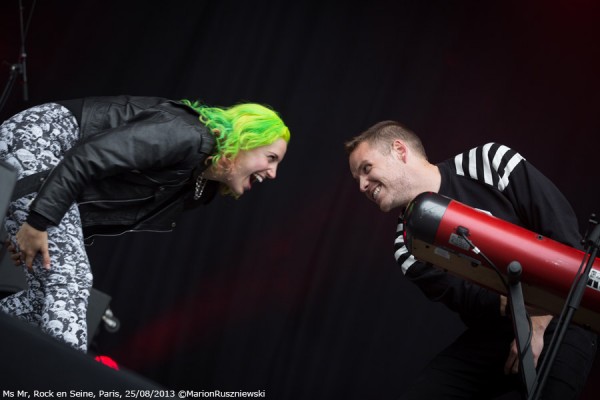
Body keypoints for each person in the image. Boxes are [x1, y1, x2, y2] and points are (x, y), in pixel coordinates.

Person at [0, 95, 290, 352]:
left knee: (41, 299)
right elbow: (89, 156)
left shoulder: (197, 187)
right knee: (71, 280)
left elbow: (94, 206)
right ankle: (66, 384)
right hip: (41, 135)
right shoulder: (187, 135)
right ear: (246, 141)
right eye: (271, 158)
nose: (274, 173)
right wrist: (38, 222)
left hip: (56, 175)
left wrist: (37, 229)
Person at [345, 120, 597, 399]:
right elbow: (474, 300)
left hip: (565, 313)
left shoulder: (491, 161)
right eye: (357, 178)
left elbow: (565, 241)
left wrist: (535, 327)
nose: (362, 185)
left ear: (400, 150)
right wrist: (522, 328)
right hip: (499, 328)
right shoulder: (406, 244)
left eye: (366, 169)